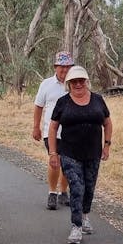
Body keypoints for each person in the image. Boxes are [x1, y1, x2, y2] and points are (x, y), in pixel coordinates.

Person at [48, 65, 112, 244]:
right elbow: (53, 128)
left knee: (89, 188)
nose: (78, 84)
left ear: (86, 81)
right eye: (74, 81)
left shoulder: (98, 100)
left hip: (93, 153)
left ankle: (84, 216)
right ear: (68, 84)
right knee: (77, 187)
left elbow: (107, 123)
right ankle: (76, 226)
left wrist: (106, 145)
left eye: (81, 81)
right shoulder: (63, 102)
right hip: (69, 153)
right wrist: (53, 152)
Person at [32, 51, 74, 210]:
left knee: (68, 164)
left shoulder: (75, 83)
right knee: (55, 161)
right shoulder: (46, 84)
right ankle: (52, 192)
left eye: (68, 67)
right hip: (51, 132)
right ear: (55, 67)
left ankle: (64, 192)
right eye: (62, 67)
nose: (65, 70)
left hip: (72, 131)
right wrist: (36, 126)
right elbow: (38, 106)